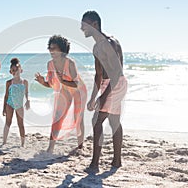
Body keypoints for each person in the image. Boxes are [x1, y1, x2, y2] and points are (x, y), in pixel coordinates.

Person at [81, 11, 128, 172]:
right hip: (108, 83)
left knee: (97, 120)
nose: (82, 28)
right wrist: (93, 98)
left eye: (84, 24)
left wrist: (103, 97)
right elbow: (98, 75)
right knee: (113, 121)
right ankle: (116, 161)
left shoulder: (110, 43)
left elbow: (115, 73)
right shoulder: (96, 47)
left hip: (116, 83)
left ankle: (95, 164)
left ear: (94, 25)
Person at [35, 35, 87, 153]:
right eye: (50, 48)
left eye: (54, 48)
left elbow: (76, 84)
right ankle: (50, 148)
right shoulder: (50, 64)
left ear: (63, 50)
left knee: (78, 118)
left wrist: (63, 81)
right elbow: (52, 84)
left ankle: (80, 147)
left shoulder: (70, 63)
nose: (51, 50)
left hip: (78, 90)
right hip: (65, 90)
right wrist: (43, 82)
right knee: (57, 118)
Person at [2, 58, 30, 147]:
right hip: (10, 104)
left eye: (16, 70)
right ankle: (4, 142)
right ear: (10, 72)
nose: (15, 72)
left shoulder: (25, 82)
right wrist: (4, 108)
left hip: (19, 105)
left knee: (20, 124)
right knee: (8, 123)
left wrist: (27, 100)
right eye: (12, 70)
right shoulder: (9, 82)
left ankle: (22, 144)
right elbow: (6, 95)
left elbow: (26, 92)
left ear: (21, 70)